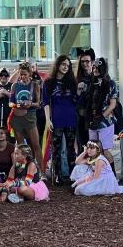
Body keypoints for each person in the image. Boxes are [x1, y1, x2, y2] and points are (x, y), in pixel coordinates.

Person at [42, 55, 78, 184]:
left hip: (71, 120)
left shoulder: (72, 82)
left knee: (70, 149)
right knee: (56, 149)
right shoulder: (48, 82)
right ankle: (57, 175)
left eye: (68, 65)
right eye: (63, 64)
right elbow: (45, 102)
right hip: (56, 120)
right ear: (57, 65)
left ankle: (73, 175)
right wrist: (47, 120)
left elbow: (77, 101)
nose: (65, 67)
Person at [82, 58, 119, 169]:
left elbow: (113, 104)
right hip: (92, 120)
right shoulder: (91, 83)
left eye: (98, 68)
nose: (95, 69)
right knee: (93, 149)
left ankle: (112, 176)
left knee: (104, 150)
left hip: (105, 122)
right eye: (94, 67)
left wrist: (101, 117)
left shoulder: (110, 83)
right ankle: (99, 175)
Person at [8, 63, 44, 169]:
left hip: (30, 117)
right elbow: (10, 103)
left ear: (30, 74)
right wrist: (16, 105)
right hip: (17, 117)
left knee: (36, 145)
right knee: (20, 147)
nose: (22, 76)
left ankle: (41, 171)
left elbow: (38, 104)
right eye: (21, 74)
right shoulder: (15, 85)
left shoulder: (34, 85)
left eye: (25, 74)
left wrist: (30, 104)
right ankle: (22, 170)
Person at [74, 50, 96, 152]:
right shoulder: (76, 79)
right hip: (80, 117)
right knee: (82, 146)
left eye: (87, 61)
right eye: (82, 62)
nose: (84, 64)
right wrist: (78, 90)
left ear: (92, 62)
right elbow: (73, 100)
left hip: (93, 118)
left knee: (94, 147)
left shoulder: (97, 78)